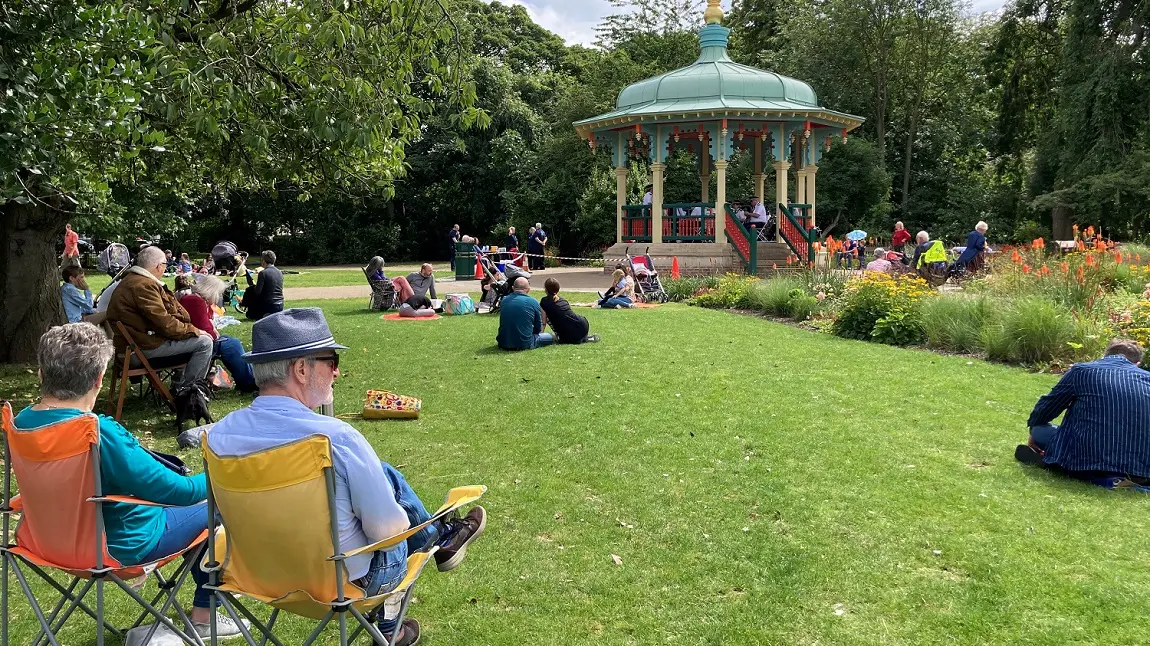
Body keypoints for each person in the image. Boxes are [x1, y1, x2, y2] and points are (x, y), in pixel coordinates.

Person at [207, 308, 486, 644]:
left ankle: (439, 540)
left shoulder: (218, 436)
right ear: (300, 369)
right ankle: (433, 545)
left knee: (379, 475)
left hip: (260, 579)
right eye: (331, 361)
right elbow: (388, 530)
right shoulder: (337, 439)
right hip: (340, 584)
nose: (336, 373)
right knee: (393, 526)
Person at [13, 323, 246, 638]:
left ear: (41, 374)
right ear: (98, 379)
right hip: (121, 545)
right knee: (223, 502)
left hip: (47, 543)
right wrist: (230, 472)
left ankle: (205, 611)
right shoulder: (96, 433)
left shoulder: (20, 423)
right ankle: (205, 615)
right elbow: (182, 492)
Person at [1017, 339, 1150, 484]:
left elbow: (1047, 408)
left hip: (1085, 459)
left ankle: (1050, 457)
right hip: (1141, 468)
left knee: (1040, 430)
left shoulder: (1082, 371)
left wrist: (1033, 431)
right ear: (1137, 364)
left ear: (1104, 356)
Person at [106, 246, 214, 392]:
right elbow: (165, 324)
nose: (165, 269)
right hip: (141, 349)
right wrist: (195, 331)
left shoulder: (132, 281)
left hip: (135, 346)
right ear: (159, 266)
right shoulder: (144, 285)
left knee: (187, 337)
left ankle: (180, 386)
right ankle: (189, 392)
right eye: (165, 265)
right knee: (205, 343)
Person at [179, 275, 257, 392]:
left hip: (195, 338)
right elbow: (207, 328)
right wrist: (215, 332)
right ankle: (249, 381)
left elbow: (208, 322)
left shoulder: (197, 299)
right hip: (198, 341)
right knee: (232, 345)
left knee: (229, 341)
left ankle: (249, 378)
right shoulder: (196, 301)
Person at [497, 278, 553, 350]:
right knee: (551, 337)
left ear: (513, 288)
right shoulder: (533, 302)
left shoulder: (504, 300)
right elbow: (538, 326)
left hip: (503, 342)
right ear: (528, 289)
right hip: (525, 343)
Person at [540, 278, 599, 344]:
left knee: (544, 314)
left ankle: (563, 336)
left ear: (545, 289)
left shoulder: (544, 302)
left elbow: (543, 322)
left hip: (568, 335)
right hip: (583, 325)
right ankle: (583, 338)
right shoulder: (563, 301)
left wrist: (540, 336)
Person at [241, 250, 284, 321]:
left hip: (268, 305)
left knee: (250, 291)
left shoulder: (263, 273)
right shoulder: (279, 272)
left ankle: (252, 313)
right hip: (280, 304)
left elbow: (257, 292)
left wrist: (254, 287)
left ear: (264, 261)